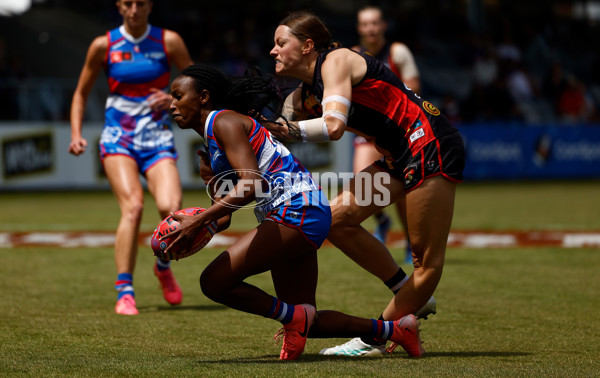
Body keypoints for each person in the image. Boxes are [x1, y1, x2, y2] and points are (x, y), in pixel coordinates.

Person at [164, 63, 424, 360]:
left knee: (213, 282)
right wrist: (205, 203)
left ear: (203, 97)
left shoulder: (224, 122)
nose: (171, 103)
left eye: (177, 95)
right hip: (298, 213)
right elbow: (223, 218)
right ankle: (397, 329)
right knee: (306, 320)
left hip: (296, 209)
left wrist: (198, 219)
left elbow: (252, 184)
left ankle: (292, 318)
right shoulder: (214, 141)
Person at [266, 11, 465, 356]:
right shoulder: (303, 95)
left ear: (308, 45)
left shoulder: (336, 61)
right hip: (397, 156)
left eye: (281, 42)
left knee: (426, 263)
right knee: (335, 221)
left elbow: (332, 127)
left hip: (429, 144)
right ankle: (410, 296)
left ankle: (375, 337)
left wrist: (292, 129)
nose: (273, 50)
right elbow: (276, 128)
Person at [69, 0, 193, 315]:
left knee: (171, 209)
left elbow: (195, 83)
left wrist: (172, 97)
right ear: (119, 6)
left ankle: (163, 267)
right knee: (133, 207)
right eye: (128, 3)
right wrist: (76, 133)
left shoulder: (169, 40)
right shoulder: (103, 44)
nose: (134, 9)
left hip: (156, 137)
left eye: (140, 3)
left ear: (150, 5)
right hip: (118, 137)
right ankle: (125, 291)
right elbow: (80, 93)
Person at [351, 5, 421, 264]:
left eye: (374, 23)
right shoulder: (352, 55)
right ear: (359, 28)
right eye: (365, 24)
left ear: (383, 26)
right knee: (363, 183)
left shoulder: (398, 52)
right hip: (367, 132)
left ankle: (410, 240)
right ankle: (382, 219)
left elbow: (414, 90)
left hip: (397, 132)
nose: (370, 28)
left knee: (400, 191)